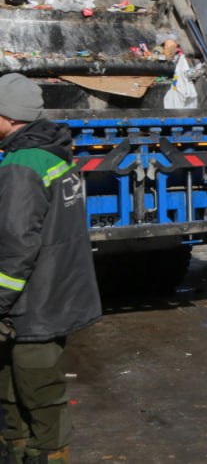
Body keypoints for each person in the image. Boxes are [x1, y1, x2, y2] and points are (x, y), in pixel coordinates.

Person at [0, 74, 101, 463]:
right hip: (53, 294)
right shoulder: (54, 152)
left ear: (8, 117)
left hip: (29, 307)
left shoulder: (21, 165)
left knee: (31, 394)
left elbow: (14, 244)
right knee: (30, 391)